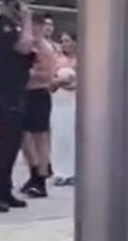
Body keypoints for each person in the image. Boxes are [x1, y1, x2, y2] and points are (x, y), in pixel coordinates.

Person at [0, 0, 35, 213]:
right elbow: (24, 47)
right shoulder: (1, 25)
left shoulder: (15, 27)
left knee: (13, 142)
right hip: (5, 91)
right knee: (7, 143)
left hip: (16, 89)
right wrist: (28, 20)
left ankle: (4, 189)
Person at [19, 13, 56, 198]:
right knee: (22, 137)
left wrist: (26, 72)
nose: (32, 30)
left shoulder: (45, 49)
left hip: (38, 94)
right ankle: (33, 172)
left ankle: (41, 178)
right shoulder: (25, 46)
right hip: (23, 94)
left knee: (40, 137)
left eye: (36, 26)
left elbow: (47, 76)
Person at [50, 32, 77, 186]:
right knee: (59, 135)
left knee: (72, 135)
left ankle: (72, 171)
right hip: (59, 100)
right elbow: (51, 82)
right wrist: (60, 82)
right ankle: (59, 171)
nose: (64, 44)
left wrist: (69, 84)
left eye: (67, 41)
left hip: (73, 99)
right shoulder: (57, 61)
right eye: (62, 41)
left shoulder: (80, 61)